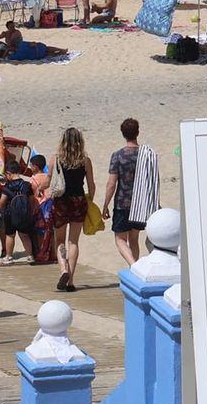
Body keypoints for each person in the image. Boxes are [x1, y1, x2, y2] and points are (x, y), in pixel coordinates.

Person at [103, 118, 159, 266]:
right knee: (134, 239)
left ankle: (134, 266)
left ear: (123, 134)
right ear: (137, 132)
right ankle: (135, 268)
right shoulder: (146, 155)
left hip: (122, 203)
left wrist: (105, 204)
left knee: (120, 239)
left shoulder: (118, 155)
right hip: (141, 204)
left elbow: (111, 184)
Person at [49, 127, 96, 292]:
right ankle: (70, 281)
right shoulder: (85, 161)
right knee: (73, 242)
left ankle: (63, 269)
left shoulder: (55, 159)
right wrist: (90, 200)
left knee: (60, 241)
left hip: (61, 202)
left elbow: (49, 181)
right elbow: (91, 185)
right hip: (78, 201)